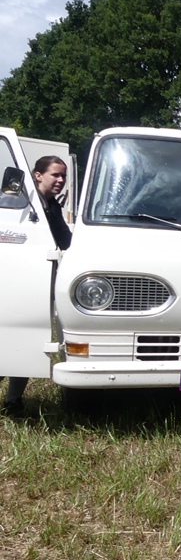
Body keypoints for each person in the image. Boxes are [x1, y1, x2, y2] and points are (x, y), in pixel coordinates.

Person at [1, 156, 71, 415]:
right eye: (56, 174)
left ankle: (13, 402)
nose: (61, 180)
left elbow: (66, 242)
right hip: (10, 285)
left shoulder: (51, 207)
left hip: (33, 286)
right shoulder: (13, 204)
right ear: (37, 175)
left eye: (64, 176)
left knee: (26, 343)